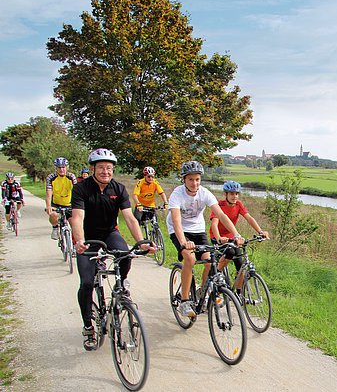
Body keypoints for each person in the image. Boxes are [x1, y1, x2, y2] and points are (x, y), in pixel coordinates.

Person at [71, 148, 156, 351]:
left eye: (109, 168)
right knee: (87, 283)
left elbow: (129, 217)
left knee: (126, 254)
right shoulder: (81, 189)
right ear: (93, 169)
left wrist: (142, 241)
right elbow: (77, 217)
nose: (105, 172)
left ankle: (121, 285)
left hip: (109, 233)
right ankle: (88, 327)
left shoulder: (118, 189)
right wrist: (80, 240)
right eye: (101, 168)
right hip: (88, 237)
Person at [166, 160, 244, 318]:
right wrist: (183, 243)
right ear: (184, 180)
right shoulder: (177, 194)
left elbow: (221, 215)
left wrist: (236, 234)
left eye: (197, 179)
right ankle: (185, 301)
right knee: (189, 258)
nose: (194, 183)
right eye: (190, 179)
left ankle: (202, 291)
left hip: (197, 229)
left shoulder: (205, 193)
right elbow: (176, 220)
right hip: (179, 230)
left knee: (209, 261)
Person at [209, 180, 269, 297]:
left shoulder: (238, 205)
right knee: (230, 253)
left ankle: (238, 293)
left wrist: (260, 231)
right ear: (226, 194)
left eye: (236, 193)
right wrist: (219, 238)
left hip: (232, 236)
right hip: (218, 237)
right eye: (231, 193)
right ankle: (216, 275)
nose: (234, 196)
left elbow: (249, 218)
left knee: (240, 263)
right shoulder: (219, 205)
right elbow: (214, 224)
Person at [45, 157, 77, 239]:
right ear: (56, 168)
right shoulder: (51, 177)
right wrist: (48, 206)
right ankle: (55, 228)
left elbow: (77, 192)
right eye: (59, 167)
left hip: (69, 203)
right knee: (53, 215)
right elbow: (48, 194)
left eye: (63, 167)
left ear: (67, 167)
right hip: (56, 204)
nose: (61, 169)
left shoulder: (71, 177)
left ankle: (74, 245)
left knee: (75, 224)